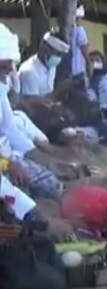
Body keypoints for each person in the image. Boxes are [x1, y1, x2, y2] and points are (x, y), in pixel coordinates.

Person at [0, 24, 64, 199]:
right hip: (3, 162)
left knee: (53, 185)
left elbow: (10, 131)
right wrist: (8, 165)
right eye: (3, 69)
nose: (6, 76)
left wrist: (47, 162)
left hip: (5, 158)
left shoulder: (1, 90)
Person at [17, 30, 69, 98]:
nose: (59, 58)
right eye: (57, 54)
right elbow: (32, 105)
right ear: (45, 48)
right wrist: (57, 92)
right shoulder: (29, 72)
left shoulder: (51, 66)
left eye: (61, 55)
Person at [71, 4, 91, 83]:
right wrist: (89, 63)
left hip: (67, 71)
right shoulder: (79, 30)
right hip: (77, 72)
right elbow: (84, 51)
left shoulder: (66, 30)